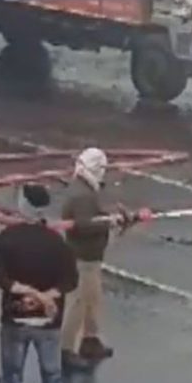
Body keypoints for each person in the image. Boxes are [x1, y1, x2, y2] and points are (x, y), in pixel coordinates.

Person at [0, 184, 78, 383]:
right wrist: (46, 297)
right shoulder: (57, 243)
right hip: (49, 322)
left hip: (14, 320)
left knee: (12, 377)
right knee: (52, 377)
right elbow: (70, 280)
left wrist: (24, 291)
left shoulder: (7, 238)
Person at [59, 147, 116, 370]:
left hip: (90, 256)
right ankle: (67, 348)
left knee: (92, 299)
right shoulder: (83, 194)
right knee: (79, 302)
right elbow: (84, 225)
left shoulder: (83, 189)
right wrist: (109, 221)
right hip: (83, 257)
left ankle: (90, 339)